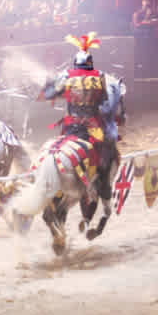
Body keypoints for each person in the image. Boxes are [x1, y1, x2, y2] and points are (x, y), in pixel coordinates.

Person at [42, 33, 125, 203]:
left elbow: (49, 93)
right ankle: (104, 186)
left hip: (69, 127)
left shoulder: (65, 75)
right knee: (107, 147)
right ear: (90, 62)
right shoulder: (100, 77)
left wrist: (48, 84)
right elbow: (108, 107)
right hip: (91, 127)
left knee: (59, 142)